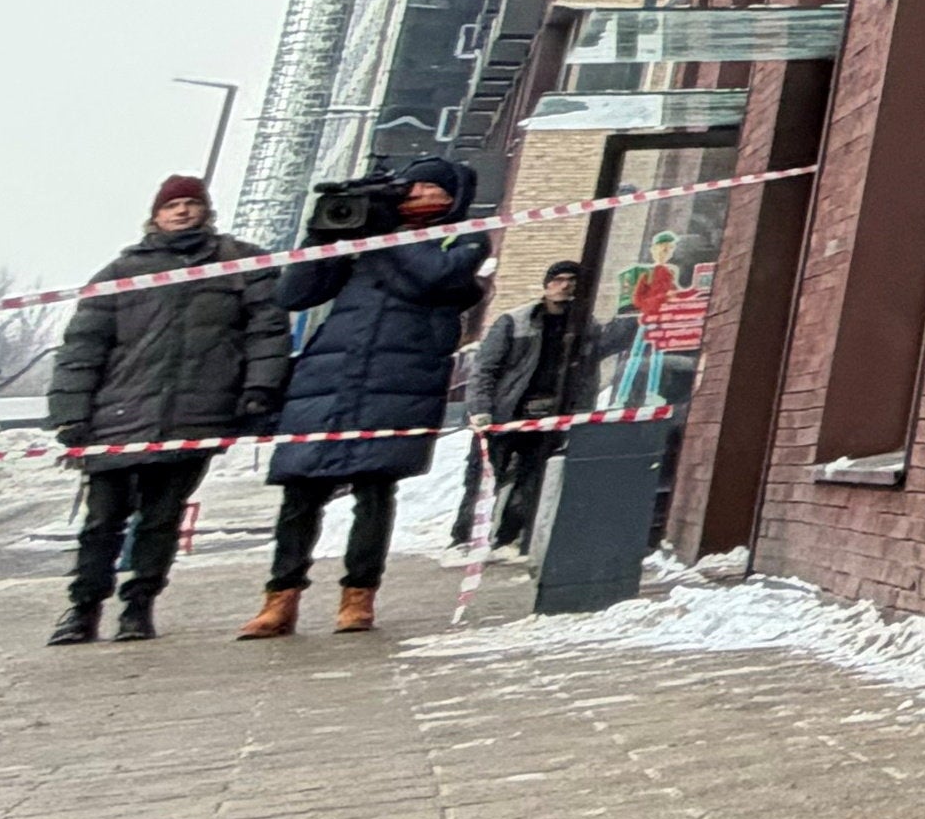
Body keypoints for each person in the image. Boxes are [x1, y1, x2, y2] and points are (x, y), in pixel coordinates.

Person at [245, 158, 487, 639]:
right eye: (412, 185)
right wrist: (323, 236)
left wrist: (384, 236)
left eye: (431, 187)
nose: (418, 193)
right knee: (300, 493)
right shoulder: (368, 235)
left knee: (374, 493)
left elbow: (432, 279)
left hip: (399, 381)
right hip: (329, 378)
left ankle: (358, 598)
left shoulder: (465, 237)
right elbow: (295, 293)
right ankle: (280, 598)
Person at [41, 174, 288, 647]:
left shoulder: (241, 263)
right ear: (155, 215)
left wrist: (260, 389)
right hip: (117, 415)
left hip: (195, 414)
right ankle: (82, 608)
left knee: (161, 517)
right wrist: (70, 413)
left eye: (191, 204)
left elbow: (267, 333)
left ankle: (139, 607)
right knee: (102, 521)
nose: (181, 212)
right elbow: (83, 347)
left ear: (207, 211)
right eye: (171, 205)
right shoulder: (121, 271)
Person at [451, 264, 605, 555]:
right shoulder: (515, 321)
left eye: (573, 281)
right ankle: (465, 539)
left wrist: (582, 412)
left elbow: (587, 374)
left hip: (551, 417)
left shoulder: (586, 326)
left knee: (532, 479)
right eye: (558, 280)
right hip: (505, 414)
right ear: (546, 285)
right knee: (483, 479)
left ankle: (509, 538)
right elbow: (485, 369)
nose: (565, 286)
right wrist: (481, 409)